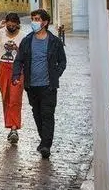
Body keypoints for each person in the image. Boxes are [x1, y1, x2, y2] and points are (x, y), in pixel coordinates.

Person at [11, 9, 67, 159]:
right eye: (33, 19)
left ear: (45, 22)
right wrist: (16, 75)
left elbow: (62, 61)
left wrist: (56, 73)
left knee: (47, 115)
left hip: (49, 86)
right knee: (37, 115)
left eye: (37, 19)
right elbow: (19, 60)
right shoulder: (27, 41)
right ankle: (44, 140)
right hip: (32, 86)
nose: (34, 22)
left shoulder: (55, 42)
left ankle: (46, 146)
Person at [0, 12, 26, 144]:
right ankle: (10, 126)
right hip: (2, 68)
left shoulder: (23, 36)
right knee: (6, 98)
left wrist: (17, 47)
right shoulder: (1, 32)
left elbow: (26, 54)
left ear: (17, 24)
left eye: (13, 24)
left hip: (17, 69)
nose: (11, 26)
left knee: (15, 98)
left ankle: (14, 129)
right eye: (9, 24)